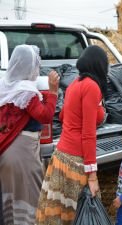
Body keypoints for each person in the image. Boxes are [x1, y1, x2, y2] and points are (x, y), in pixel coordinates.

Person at [36, 45, 108, 225]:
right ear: (100, 65)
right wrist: (92, 175)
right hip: (76, 161)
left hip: (60, 157)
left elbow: (62, 115)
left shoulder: (75, 83)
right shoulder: (91, 87)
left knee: (59, 214)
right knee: (80, 215)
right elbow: (88, 134)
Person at [0, 44, 59, 225]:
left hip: (6, 154)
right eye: (36, 64)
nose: (37, 68)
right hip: (22, 156)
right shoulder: (26, 90)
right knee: (29, 196)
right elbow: (45, 116)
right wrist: (53, 92)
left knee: (10, 196)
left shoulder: (4, 85)